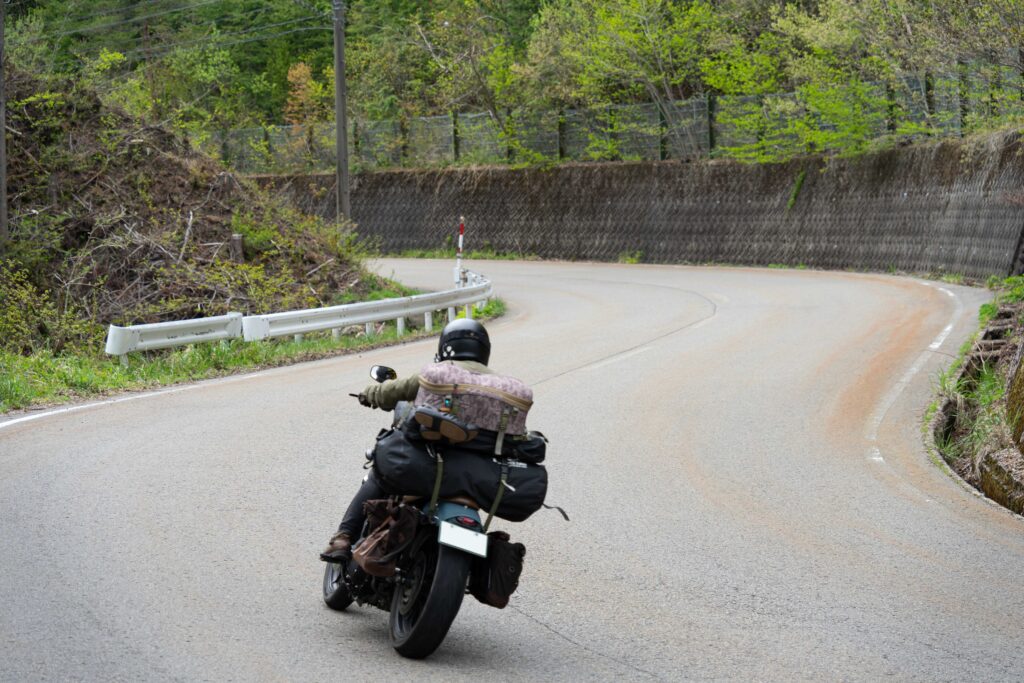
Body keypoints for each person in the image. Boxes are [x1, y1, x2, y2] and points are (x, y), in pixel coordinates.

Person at [320, 318, 494, 563]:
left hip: (430, 461)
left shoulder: (438, 373)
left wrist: (370, 394)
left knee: (380, 473)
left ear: (446, 347)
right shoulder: (499, 386)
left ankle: (344, 537)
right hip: (476, 473)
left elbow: (393, 391)